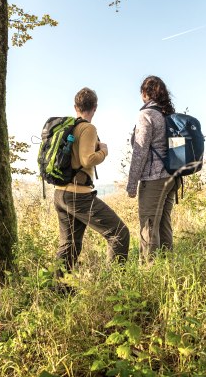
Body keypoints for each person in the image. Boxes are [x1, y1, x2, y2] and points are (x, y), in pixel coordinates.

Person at [54, 87, 130, 290]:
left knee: (69, 244)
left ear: (75, 107)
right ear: (94, 107)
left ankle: (61, 290)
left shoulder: (67, 127)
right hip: (78, 194)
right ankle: (114, 287)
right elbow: (88, 159)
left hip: (61, 193)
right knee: (119, 233)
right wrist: (104, 150)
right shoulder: (88, 128)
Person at [126, 76, 179, 261]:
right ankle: (167, 267)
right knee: (163, 223)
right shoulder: (168, 114)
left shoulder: (146, 115)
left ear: (145, 93)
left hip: (154, 178)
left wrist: (132, 184)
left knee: (148, 226)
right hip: (173, 176)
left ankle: (150, 273)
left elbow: (139, 152)